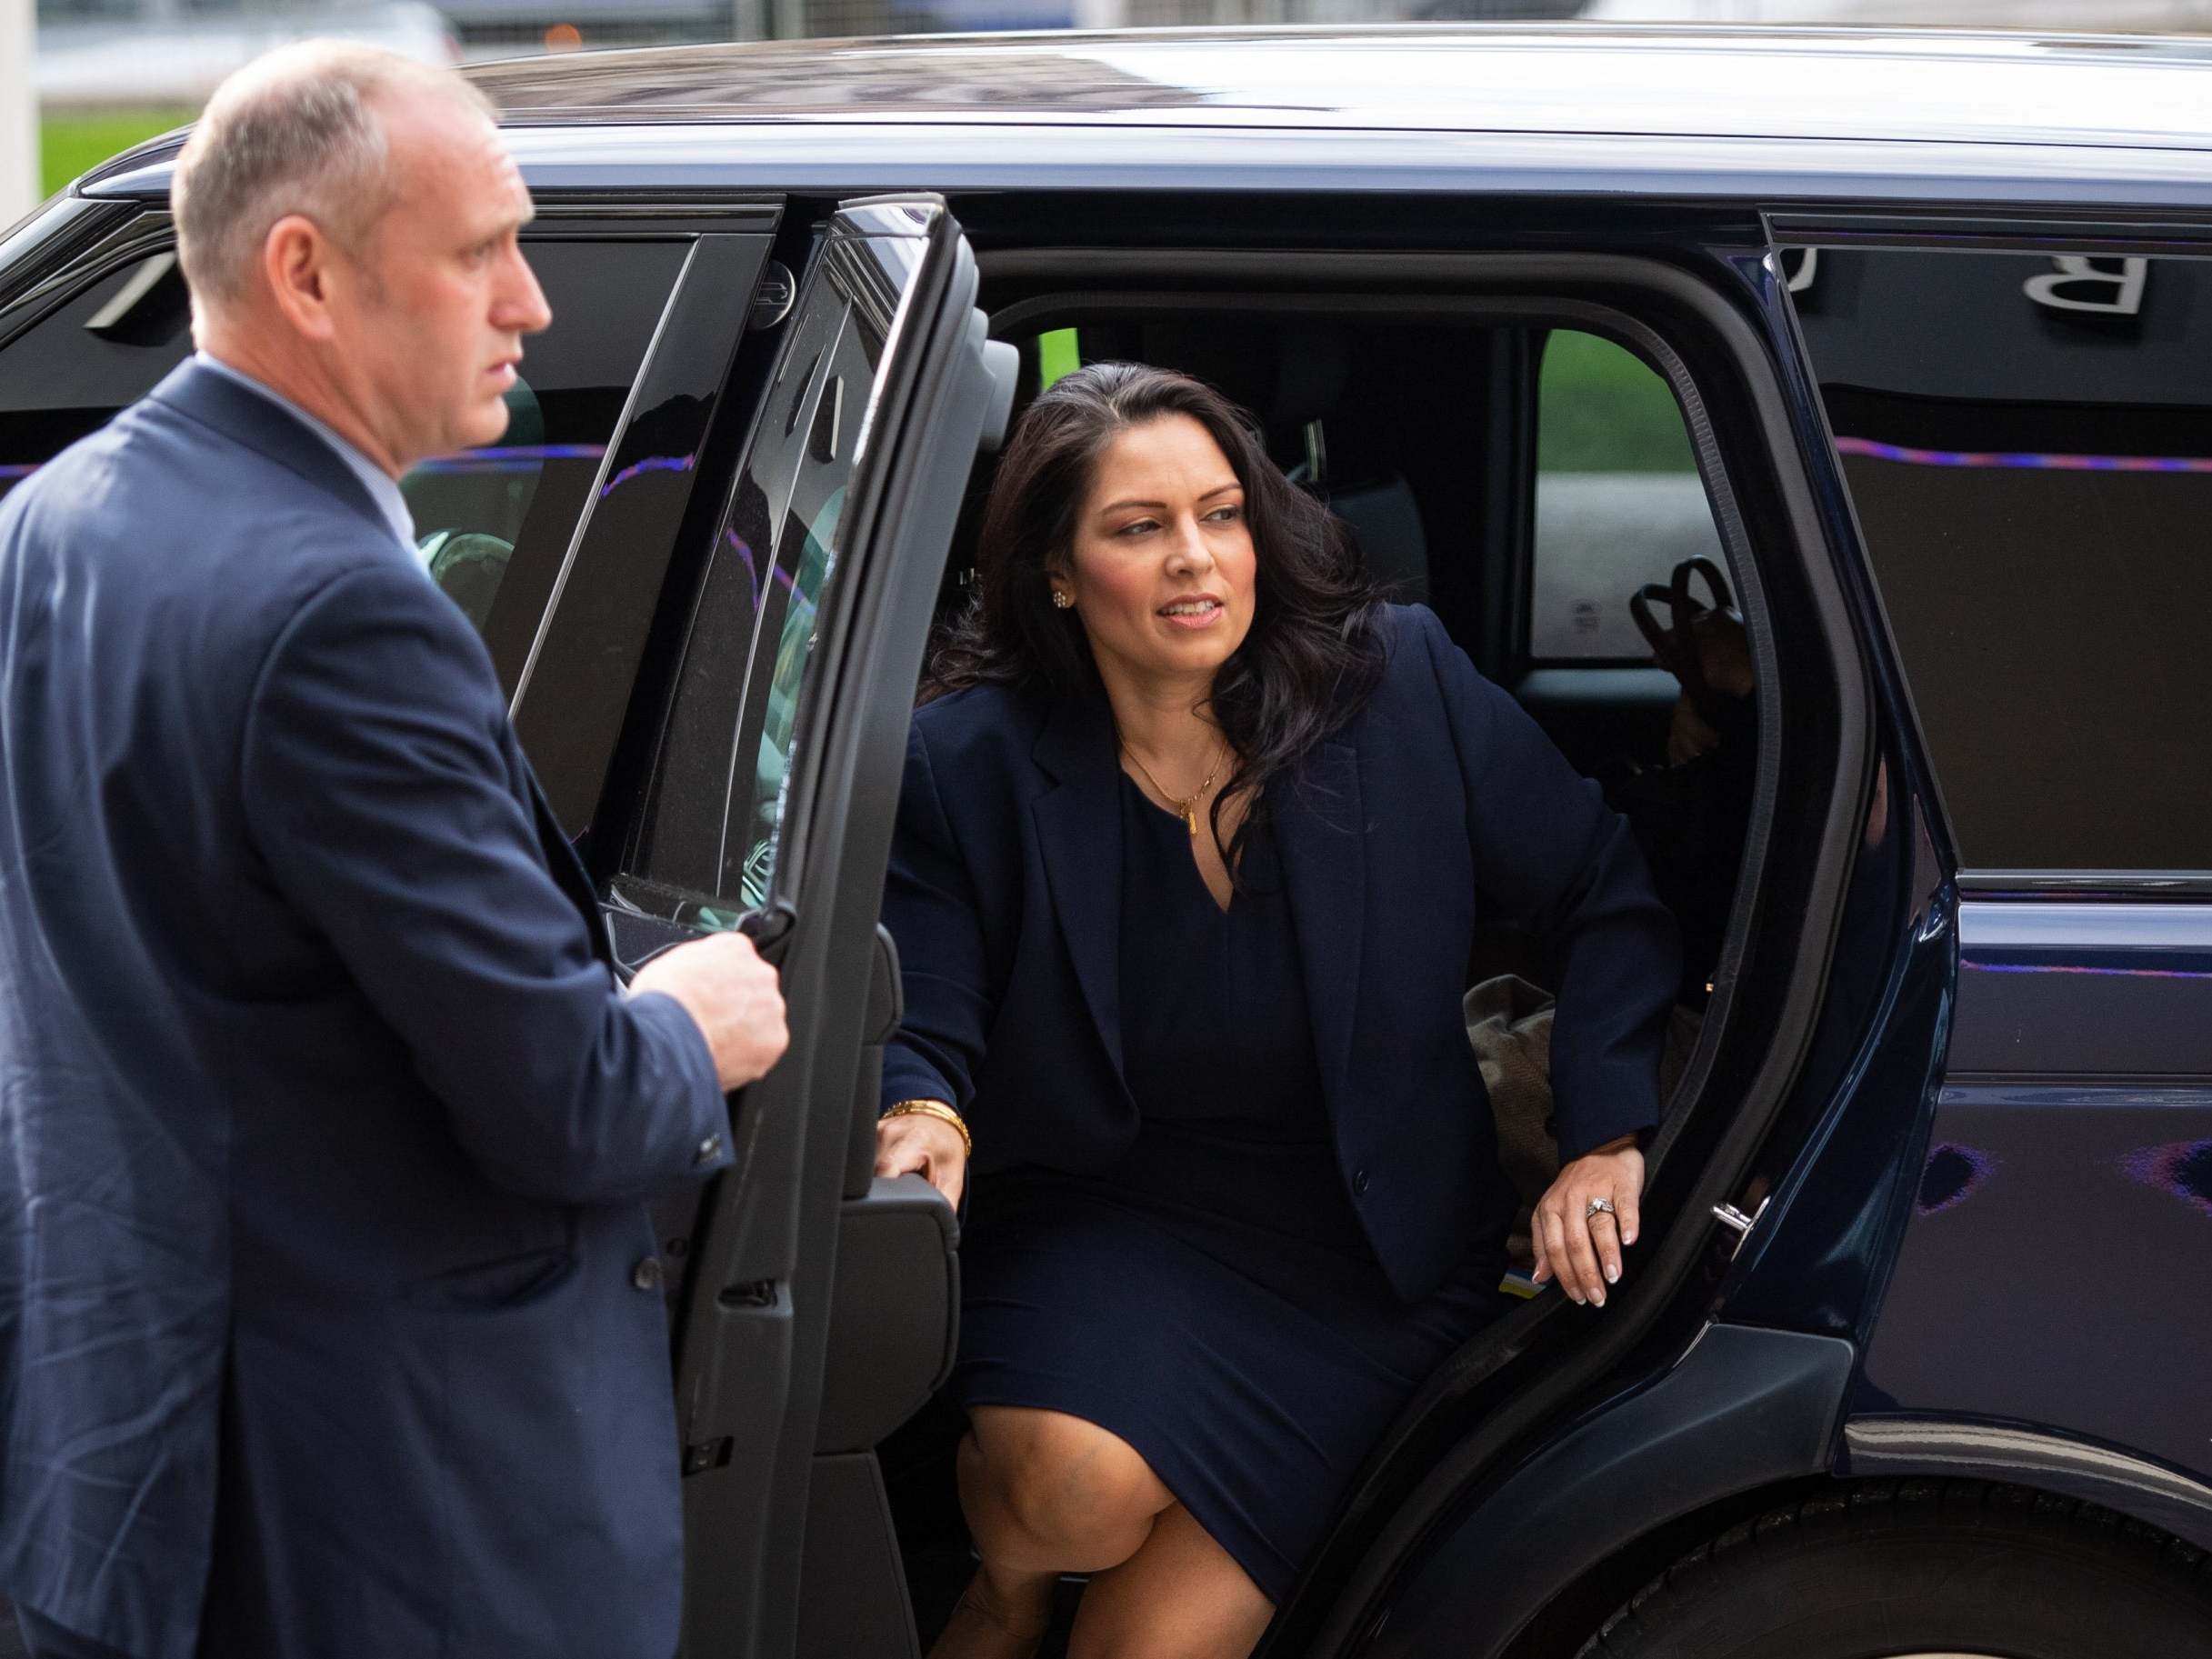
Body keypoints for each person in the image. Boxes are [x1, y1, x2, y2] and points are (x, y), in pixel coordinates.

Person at [0, 45, 787, 1659]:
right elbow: (568, 1100)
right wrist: (692, 1022)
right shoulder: (345, 615)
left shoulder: (56, 520)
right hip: (385, 1530)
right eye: (480, 249)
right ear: (305, 272)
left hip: (127, 1490)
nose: (532, 303)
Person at [872, 363, 1679, 1659]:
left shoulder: (1395, 681)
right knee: (1066, 1490)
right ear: (1059, 570)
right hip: (1112, 1221)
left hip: (1380, 1258)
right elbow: (926, 989)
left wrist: (1603, 1135)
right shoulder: (963, 759)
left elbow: (1603, 887)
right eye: (1140, 527)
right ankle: (1006, 1582)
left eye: (1221, 514)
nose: (1195, 557)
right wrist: (920, 1105)